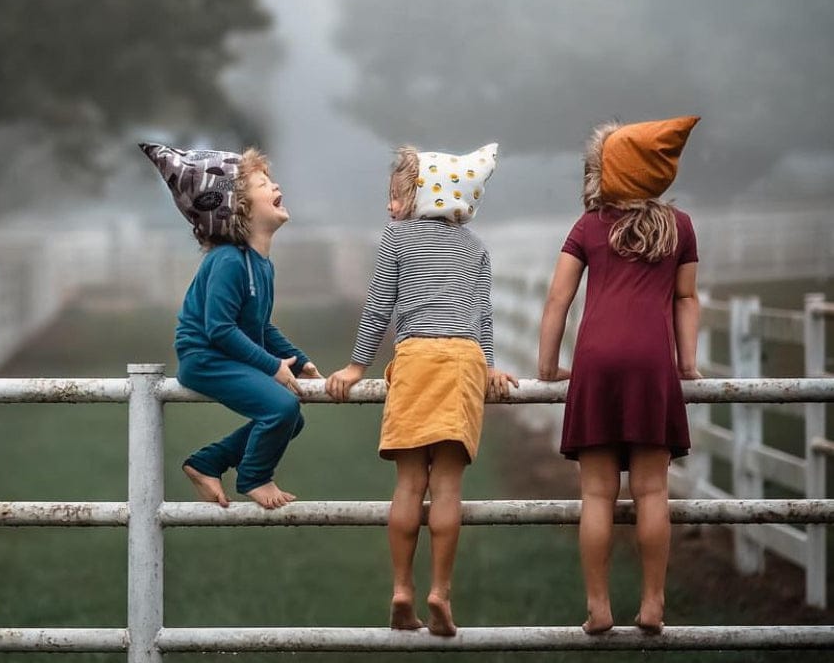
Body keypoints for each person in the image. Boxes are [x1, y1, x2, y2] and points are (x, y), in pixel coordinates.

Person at [326, 143, 518, 636]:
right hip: (462, 362)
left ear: (422, 197)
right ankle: (440, 590)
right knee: (448, 486)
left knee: (409, 484)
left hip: (413, 359)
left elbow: (377, 307)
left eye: (397, 195)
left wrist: (355, 365)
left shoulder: (397, 238)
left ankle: (401, 589)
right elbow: (483, 316)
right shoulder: (475, 246)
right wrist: (491, 367)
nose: (390, 206)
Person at [536, 117, 703, 636]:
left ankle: (599, 606)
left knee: (597, 497)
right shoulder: (680, 227)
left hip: (596, 365)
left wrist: (546, 367)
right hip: (652, 363)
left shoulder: (588, 226)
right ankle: (653, 602)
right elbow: (686, 298)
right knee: (653, 492)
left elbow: (558, 297)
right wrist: (687, 365)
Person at [140, 142, 320, 510]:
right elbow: (219, 329)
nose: (274, 186)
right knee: (282, 409)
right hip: (205, 358)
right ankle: (254, 477)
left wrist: (297, 361)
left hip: (224, 356)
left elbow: (260, 325)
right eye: (262, 183)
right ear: (238, 207)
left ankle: (208, 462)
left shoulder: (261, 264)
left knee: (290, 419)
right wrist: (272, 367)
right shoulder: (228, 261)